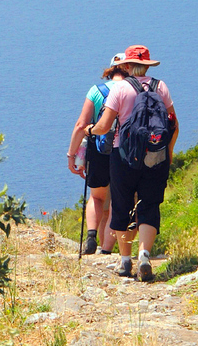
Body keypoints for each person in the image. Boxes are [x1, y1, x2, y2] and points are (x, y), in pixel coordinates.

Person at [85, 45, 178, 281]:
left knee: (123, 204)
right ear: (147, 65)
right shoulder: (161, 86)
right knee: (149, 204)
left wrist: (90, 130)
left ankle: (126, 262)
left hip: (123, 156)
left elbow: (104, 126)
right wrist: (168, 150)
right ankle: (144, 255)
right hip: (156, 155)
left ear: (126, 66)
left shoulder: (120, 88)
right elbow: (174, 123)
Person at [67, 53, 129, 255]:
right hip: (125, 151)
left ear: (110, 70)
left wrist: (72, 155)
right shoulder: (133, 90)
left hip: (99, 150)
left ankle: (91, 236)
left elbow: (81, 125)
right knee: (117, 202)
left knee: (96, 198)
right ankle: (107, 250)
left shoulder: (96, 91)